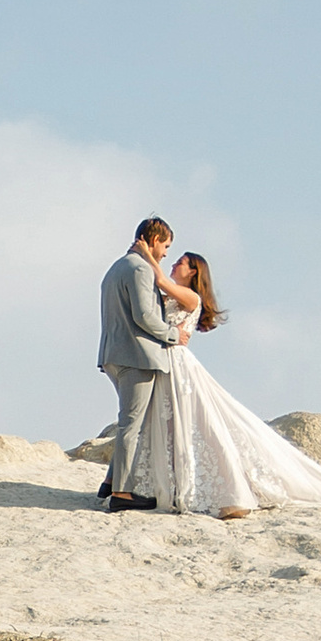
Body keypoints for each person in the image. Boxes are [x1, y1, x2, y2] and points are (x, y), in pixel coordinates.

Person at [133, 246, 321, 525]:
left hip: (179, 364)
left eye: (180, 262)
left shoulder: (191, 297)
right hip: (164, 361)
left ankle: (229, 492)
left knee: (200, 423)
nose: (173, 264)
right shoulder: (171, 295)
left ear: (193, 272)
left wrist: (145, 252)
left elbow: (160, 280)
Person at [95, 217, 180, 511]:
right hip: (136, 355)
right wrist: (173, 334)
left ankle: (110, 482)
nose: (165, 254)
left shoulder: (115, 268)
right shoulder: (141, 269)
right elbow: (144, 315)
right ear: (154, 240)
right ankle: (122, 493)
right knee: (132, 424)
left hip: (112, 354)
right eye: (166, 246)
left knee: (128, 420)